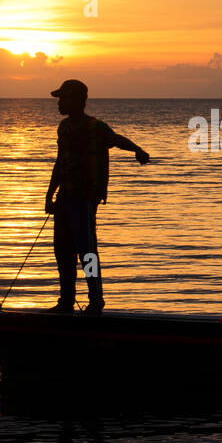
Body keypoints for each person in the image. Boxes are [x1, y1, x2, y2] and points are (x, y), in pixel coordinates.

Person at [44, 79, 150, 315]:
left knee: (87, 252)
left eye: (63, 98)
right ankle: (66, 302)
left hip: (83, 202)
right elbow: (60, 163)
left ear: (77, 100)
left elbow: (117, 140)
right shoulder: (63, 128)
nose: (59, 103)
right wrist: (49, 195)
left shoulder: (95, 128)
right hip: (64, 200)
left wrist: (138, 150)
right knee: (63, 252)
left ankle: (95, 301)